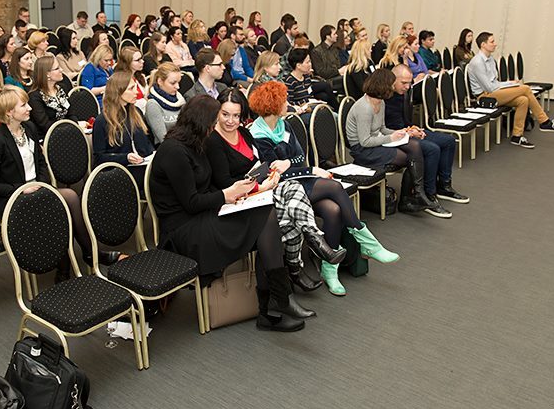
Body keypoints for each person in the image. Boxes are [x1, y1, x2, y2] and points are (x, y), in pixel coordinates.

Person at [150, 95, 306, 332]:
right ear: (200, 122)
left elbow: (207, 187)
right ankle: (275, 304)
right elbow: (190, 202)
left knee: (265, 216)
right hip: (184, 230)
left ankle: (274, 304)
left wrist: (240, 191)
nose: (217, 127)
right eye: (214, 122)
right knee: (264, 221)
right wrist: (227, 194)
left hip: (206, 212)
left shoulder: (196, 143)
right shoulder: (173, 151)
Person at [248, 81, 398, 296]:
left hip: (301, 179)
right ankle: (366, 241)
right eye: (284, 101)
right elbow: (272, 175)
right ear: (273, 105)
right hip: (284, 191)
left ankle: (331, 269)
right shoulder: (258, 135)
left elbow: (299, 157)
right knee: (335, 187)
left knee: (333, 210)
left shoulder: (284, 124)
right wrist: (305, 168)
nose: (288, 104)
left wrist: (291, 164)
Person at [207, 88, 341, 295]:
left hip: (257, 188)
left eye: (236, 115)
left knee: (293, 191)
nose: (230, 121)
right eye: (225, 114)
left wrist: (269, 175)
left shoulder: (243, 133)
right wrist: (260, 185)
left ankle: (302, 257)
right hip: (236, 199)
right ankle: (299, 264)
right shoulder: (214, 140)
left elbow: (258, 163)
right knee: (290, 215)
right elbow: (224, 182)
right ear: (217, 112)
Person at [0, 86, 95, 264]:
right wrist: (22, 190)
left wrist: (42, 185)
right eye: (24, 105)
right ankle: (65, 261)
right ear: (9, 112)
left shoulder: (30, 128)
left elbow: (41, 162)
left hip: (38, 189)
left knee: (70, 197)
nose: (30, 108)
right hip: (13, 198)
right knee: (55, 209)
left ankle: (90, 253)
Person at [346, 69, 441, 215]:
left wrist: (403, 132)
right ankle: (411, 197)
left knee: (414, 145)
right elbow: (364, 142)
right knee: (410, 156)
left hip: (375, 141)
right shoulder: (364, 108)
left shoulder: (380, 102)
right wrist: (391, 138)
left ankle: (416, 194)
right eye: (390, 84)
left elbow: (383, 129)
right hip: (363, 150)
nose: (392, 87)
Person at [386, 64, 468, 209]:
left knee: (448, 141)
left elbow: (404, 119)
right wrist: (409, 132)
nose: (407, 86)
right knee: (432, 149)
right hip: (393, 137)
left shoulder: (404, 92)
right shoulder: (386, 96)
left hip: (406, 131)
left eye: (409, 82)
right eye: (403, 83)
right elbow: (387, 128)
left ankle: (444, 186)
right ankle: (429, 193)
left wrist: (413, 128)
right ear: (392, 80)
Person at [467, 32, 554, 148]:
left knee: (523, 100)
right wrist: (511, 86)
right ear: (483, 44)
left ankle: (517, 136)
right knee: (525, 89)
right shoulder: (477, 62)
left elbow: (495, 83)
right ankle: (544, 121)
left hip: (494, 92)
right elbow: (489, 88)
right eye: (492, 42)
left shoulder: (490, 60)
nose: (495, 44)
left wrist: (510, 83)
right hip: (484, 97)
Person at [144, 62, 186, 144]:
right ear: (160, 81)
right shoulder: (153, 104)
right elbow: (163, 139)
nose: (178, 87)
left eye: (178, 82)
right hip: (167, 149)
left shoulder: (180, 100)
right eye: (173, 83)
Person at [115, 46, 148, 111]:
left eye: (141, 58)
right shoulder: (120, 81)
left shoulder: (140, 76)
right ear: (128, 63)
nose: (142, 61)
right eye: (138, 60)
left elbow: (147, 96)